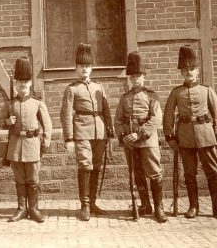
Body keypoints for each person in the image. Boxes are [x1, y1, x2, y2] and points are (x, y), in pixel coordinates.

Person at [60, 43, 113, 221]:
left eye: (87, 66)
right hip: (81, 131)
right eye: (81, 66)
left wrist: (110, 133)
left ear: (91, 68)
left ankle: (93, 203)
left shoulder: (99, 87)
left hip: (100, 132)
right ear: (76, 68)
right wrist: (69, 139)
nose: (85, 69)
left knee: (95, 166)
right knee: (85, 165)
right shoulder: (72, 89)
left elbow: (106, 110)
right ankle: (84, 205)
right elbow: (66, 115)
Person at [163, 45, 217, 219]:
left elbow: (216, 114)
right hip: (185, 138)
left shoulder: (207, 90)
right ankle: (194, 207)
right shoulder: (176, 93)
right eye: (185, 69)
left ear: (197, 70)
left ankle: (216, 206)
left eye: (192, 69)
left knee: (214, 171)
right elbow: (168, 116)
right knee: (189, 173)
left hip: (206, 136)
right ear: (181, 72)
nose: (189, 72)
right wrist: (170, 137)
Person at [0, 56, 52, 223]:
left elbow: (47, 124)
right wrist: (7, 122)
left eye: (26, 81)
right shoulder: (9, 104)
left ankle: (33, 209)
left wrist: (45, 142)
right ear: (16, 84)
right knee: (19, 179)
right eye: (20, 81)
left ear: (30, 83)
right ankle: (21, 209)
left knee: (33, 179)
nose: (23, 84)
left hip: (33, 145)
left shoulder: (37, 103)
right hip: (15, 147)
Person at [114, 52, 167, 223]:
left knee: (154, 173)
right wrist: (124, 136)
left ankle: (159, 207)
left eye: (138, 76)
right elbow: (118, 120)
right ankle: (145, 205)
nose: (135, 79)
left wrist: (140, 133)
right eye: (132, 76)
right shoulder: (125, 98)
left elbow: (156, 118)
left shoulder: (152, 96)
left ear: (144, 76)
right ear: (129, 78)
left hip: (147, 140)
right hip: (131, 143)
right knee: (137, 174)